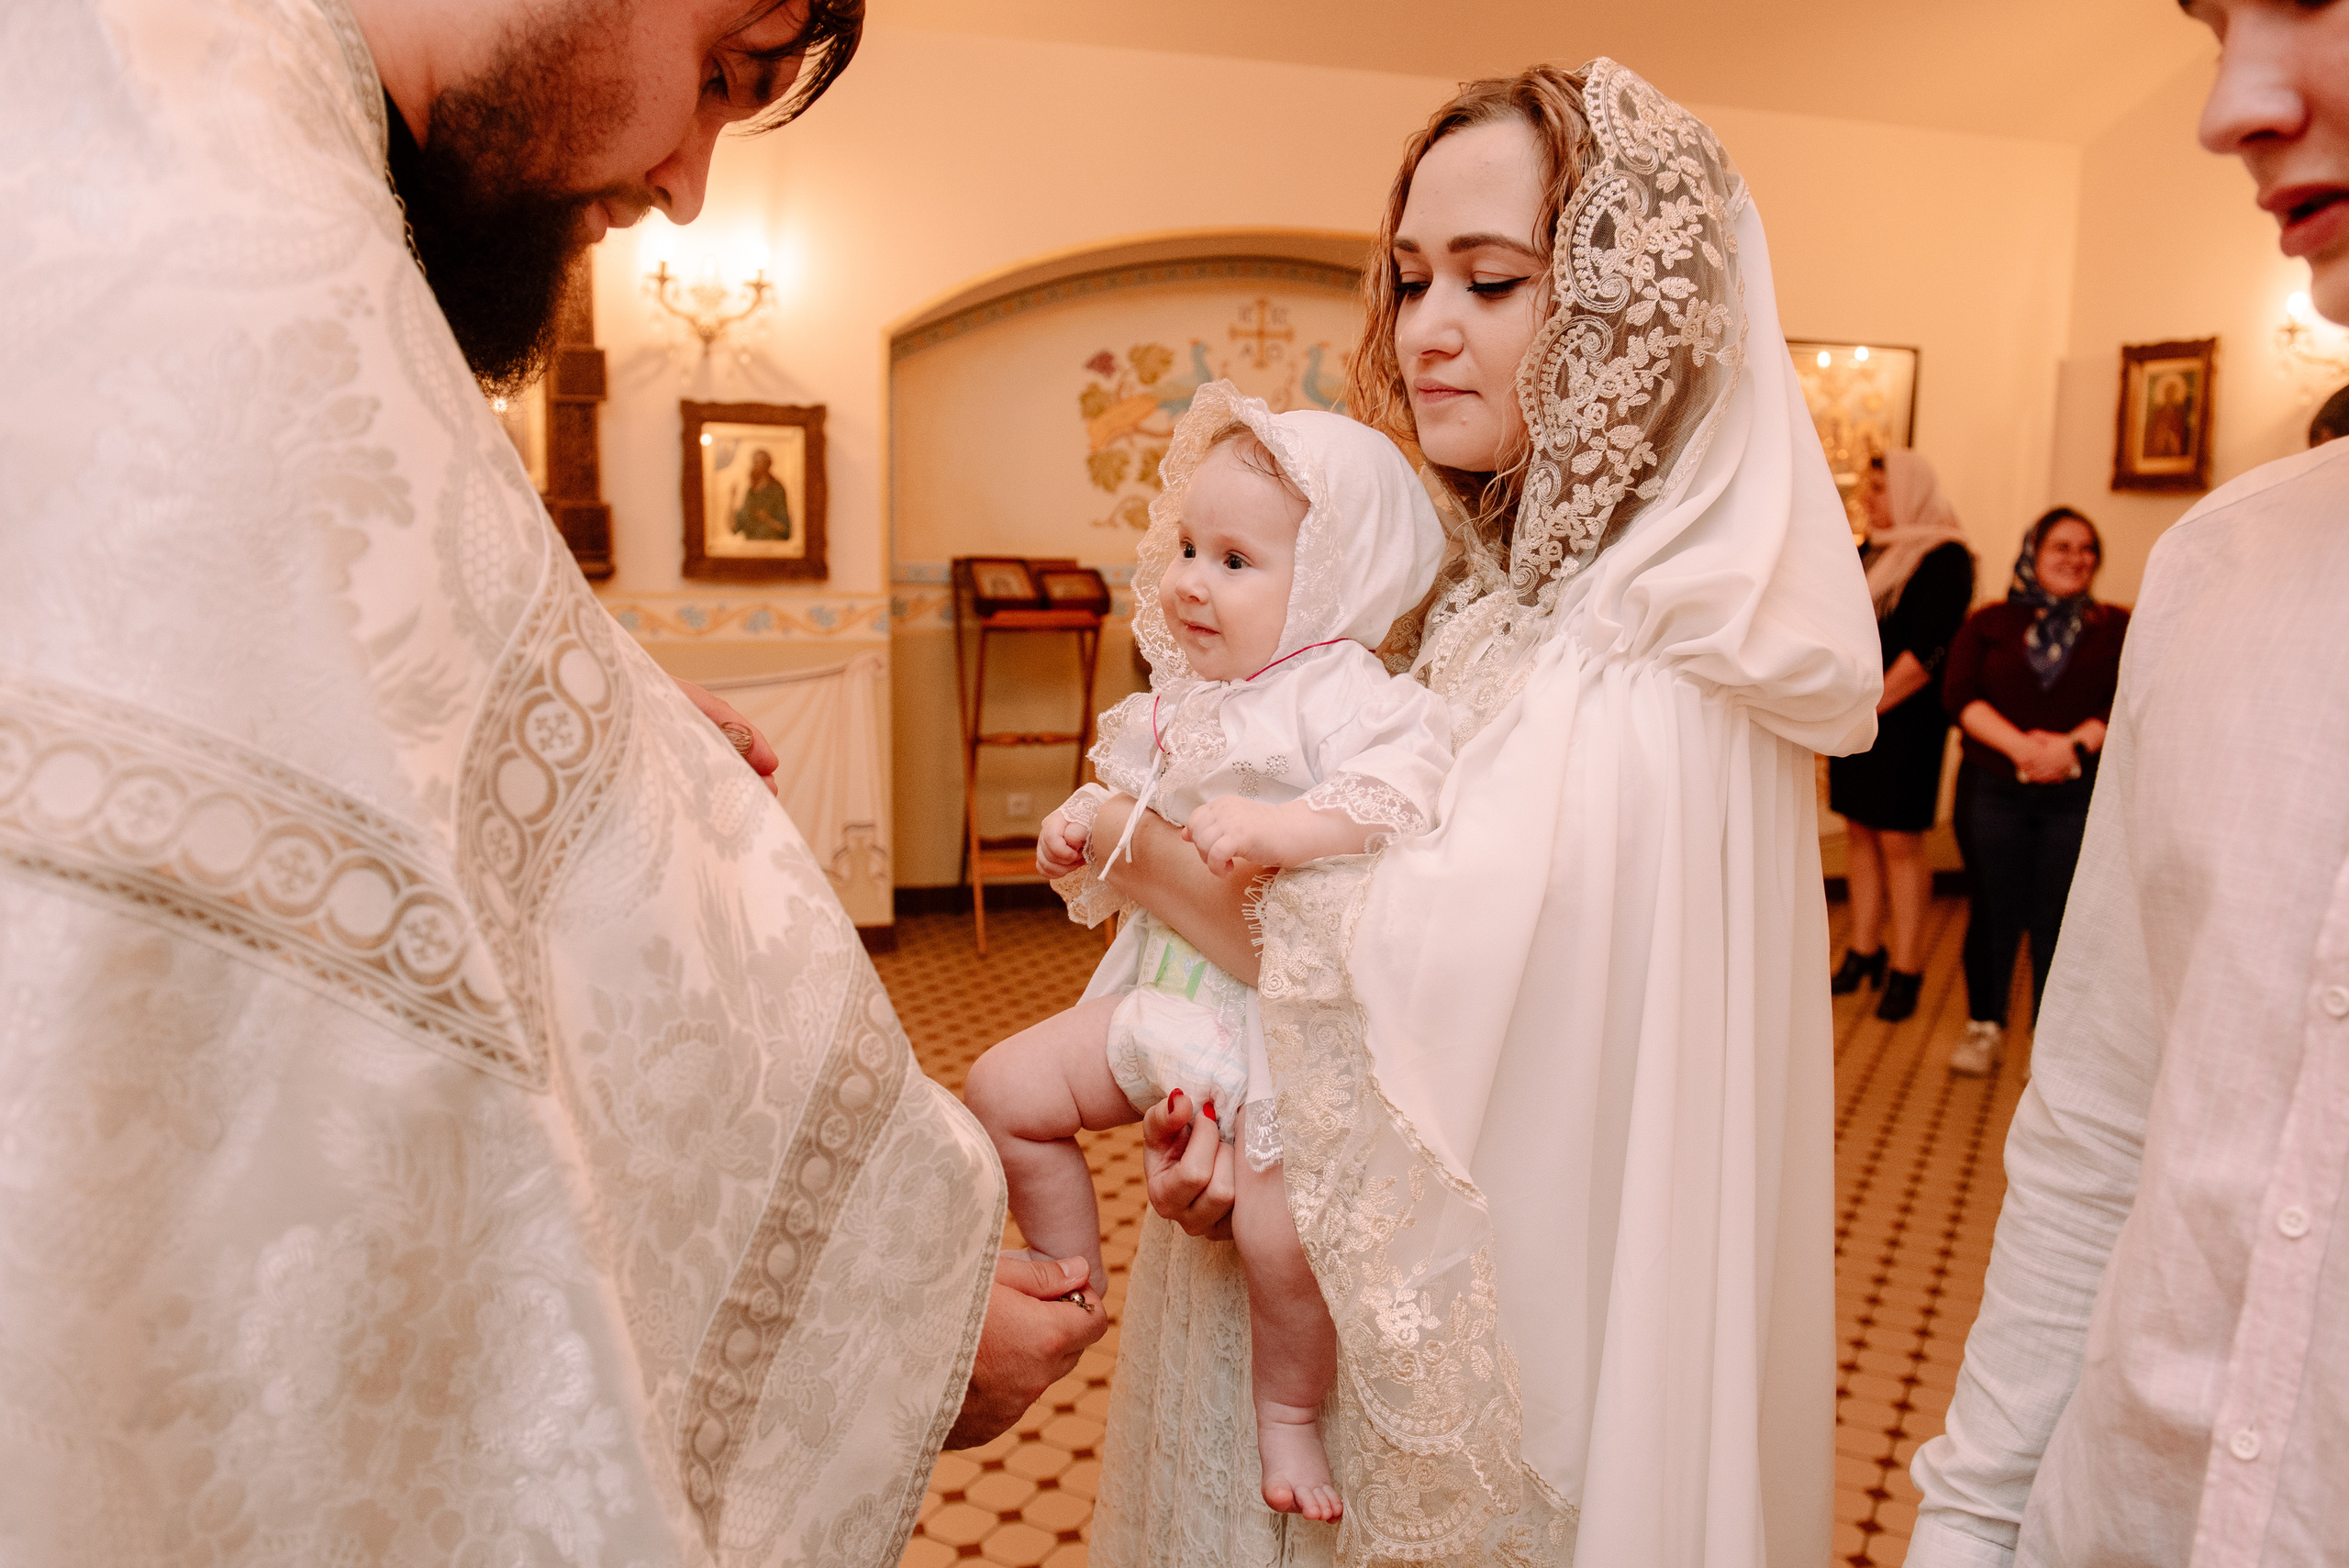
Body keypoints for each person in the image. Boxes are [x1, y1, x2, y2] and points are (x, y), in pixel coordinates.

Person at [0, 2, 1102, 1563]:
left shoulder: (180, 92)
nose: (689, 185)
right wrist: (888, 1298)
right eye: (722, 69)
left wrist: (623, 706)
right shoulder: (232, 229)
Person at [1083, 61, 1882, 1568]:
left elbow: (1382, 967)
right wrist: (1222, 1101)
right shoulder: (1506, 605)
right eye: (1409, 277)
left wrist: (1129, 840)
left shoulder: (1657, 661)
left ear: (1623, 319)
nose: (1426, 326)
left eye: (1493, 279)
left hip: (1484, 1359)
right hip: (1341, 1257)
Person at [1907, 0, 2349, 1562]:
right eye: (2212, 21)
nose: (2226, 104)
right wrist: (1969, 1523)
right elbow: (2099, 1128)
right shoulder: (2226, 565)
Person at [967, 385, 1453, 1524]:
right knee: (1001, 1087)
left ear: (1328, 583)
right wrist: (1079, 830)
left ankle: (1287, 1410)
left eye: (1236, 559)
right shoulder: (1185, 699)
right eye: (1188, 546)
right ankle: (1068, 1280)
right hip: (1167, 997)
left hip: (1271, 1036)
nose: (1191, 578)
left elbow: (1402, 793)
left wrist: (1287, 827)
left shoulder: (1345, 692)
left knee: (1283, 1235)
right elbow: (1133, 814)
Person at [1939, 509, 2128, 1076]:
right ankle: (1984, 1027)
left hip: (2077, 792)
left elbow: (2129, 699)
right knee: (1995, 908)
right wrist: (2024, 750)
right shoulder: (1988, 622)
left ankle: (2051, 1038)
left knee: (2060, 913)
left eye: (2087, 548)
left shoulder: (2116, 626)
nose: (2076, 558)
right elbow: (1959, 695)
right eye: (2061, 547)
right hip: (1993, 787)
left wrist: (2071, 747)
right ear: (2033, 554)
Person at [1826, 450, 1976, 1020]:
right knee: (1860, 833)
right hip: (1860, 715)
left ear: (1912, 490)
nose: (1869, 499)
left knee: (1900, 843)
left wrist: (1871, 705)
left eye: (1881, 488)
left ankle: (1908, 964)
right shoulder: (1871, 553)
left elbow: (1927, 651)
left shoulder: (1945, 557)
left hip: (1906, 719)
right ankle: (1865, 949)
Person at [731, 447, 796, 540]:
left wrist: (767, 519)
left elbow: (785, 529)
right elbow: (736, 526)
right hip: (751, 546)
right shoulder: (751, 492)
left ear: (767, 465)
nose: (755, 465)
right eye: (754, 462)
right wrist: (732, 499)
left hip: (772, 544)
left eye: (758, 462)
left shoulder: (777, 489)